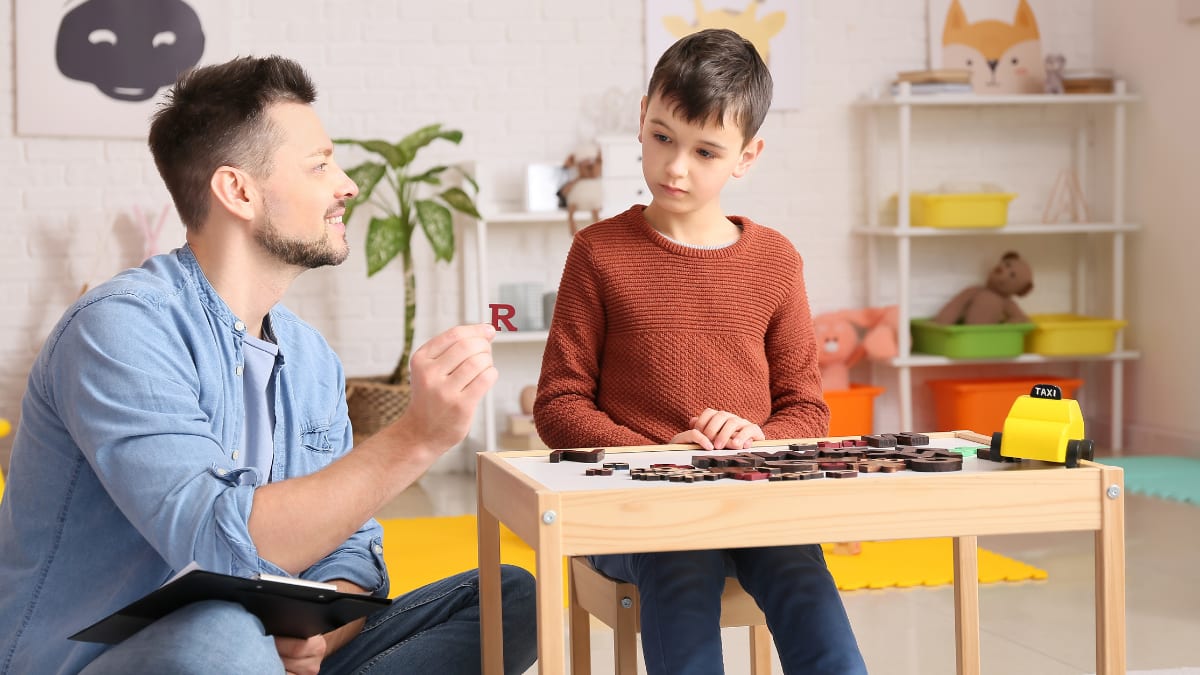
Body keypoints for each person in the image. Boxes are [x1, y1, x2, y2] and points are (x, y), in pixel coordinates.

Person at [0, 55, 537, 675]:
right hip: (110, 660)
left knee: (508, 597)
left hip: (265, 657)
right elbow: (215, 540)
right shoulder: (119, 327)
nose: (346, 185)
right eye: (319, 165)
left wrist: (323, 636)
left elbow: (354, 552)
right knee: (224, 631)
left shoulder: (310, 358)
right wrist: (419, 437)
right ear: (238, 191)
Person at [533, 29, 867, 675]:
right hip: (636, 510)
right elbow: (558, 404)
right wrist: (659, 455)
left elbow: (806, 409)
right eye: (662, 137)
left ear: (746, 156)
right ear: (640, 118)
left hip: (750, 500)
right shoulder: (597, 253)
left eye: (705, 150)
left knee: (799, 564)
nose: (676, 166)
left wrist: (757, 434)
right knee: (681, 557)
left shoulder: (775, 260)